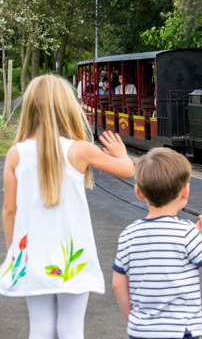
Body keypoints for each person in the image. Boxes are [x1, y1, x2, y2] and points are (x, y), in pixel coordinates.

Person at [0, 75, 135, 339]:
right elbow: (127, 171)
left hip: (31, 256)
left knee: (40, 327)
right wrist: (121, 154)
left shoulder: (16, 154)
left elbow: (9, 210)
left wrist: (12, 253)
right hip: (73, 256)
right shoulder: (80, 150)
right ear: (68, 108)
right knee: (71, 328)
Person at [112, 148, 202, 339]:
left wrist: (134, 321)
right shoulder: (187, 233)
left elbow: (118, 284)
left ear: (138, 192)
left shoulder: (128, 235)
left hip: (140, 331)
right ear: (185, 191)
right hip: (180, 332)